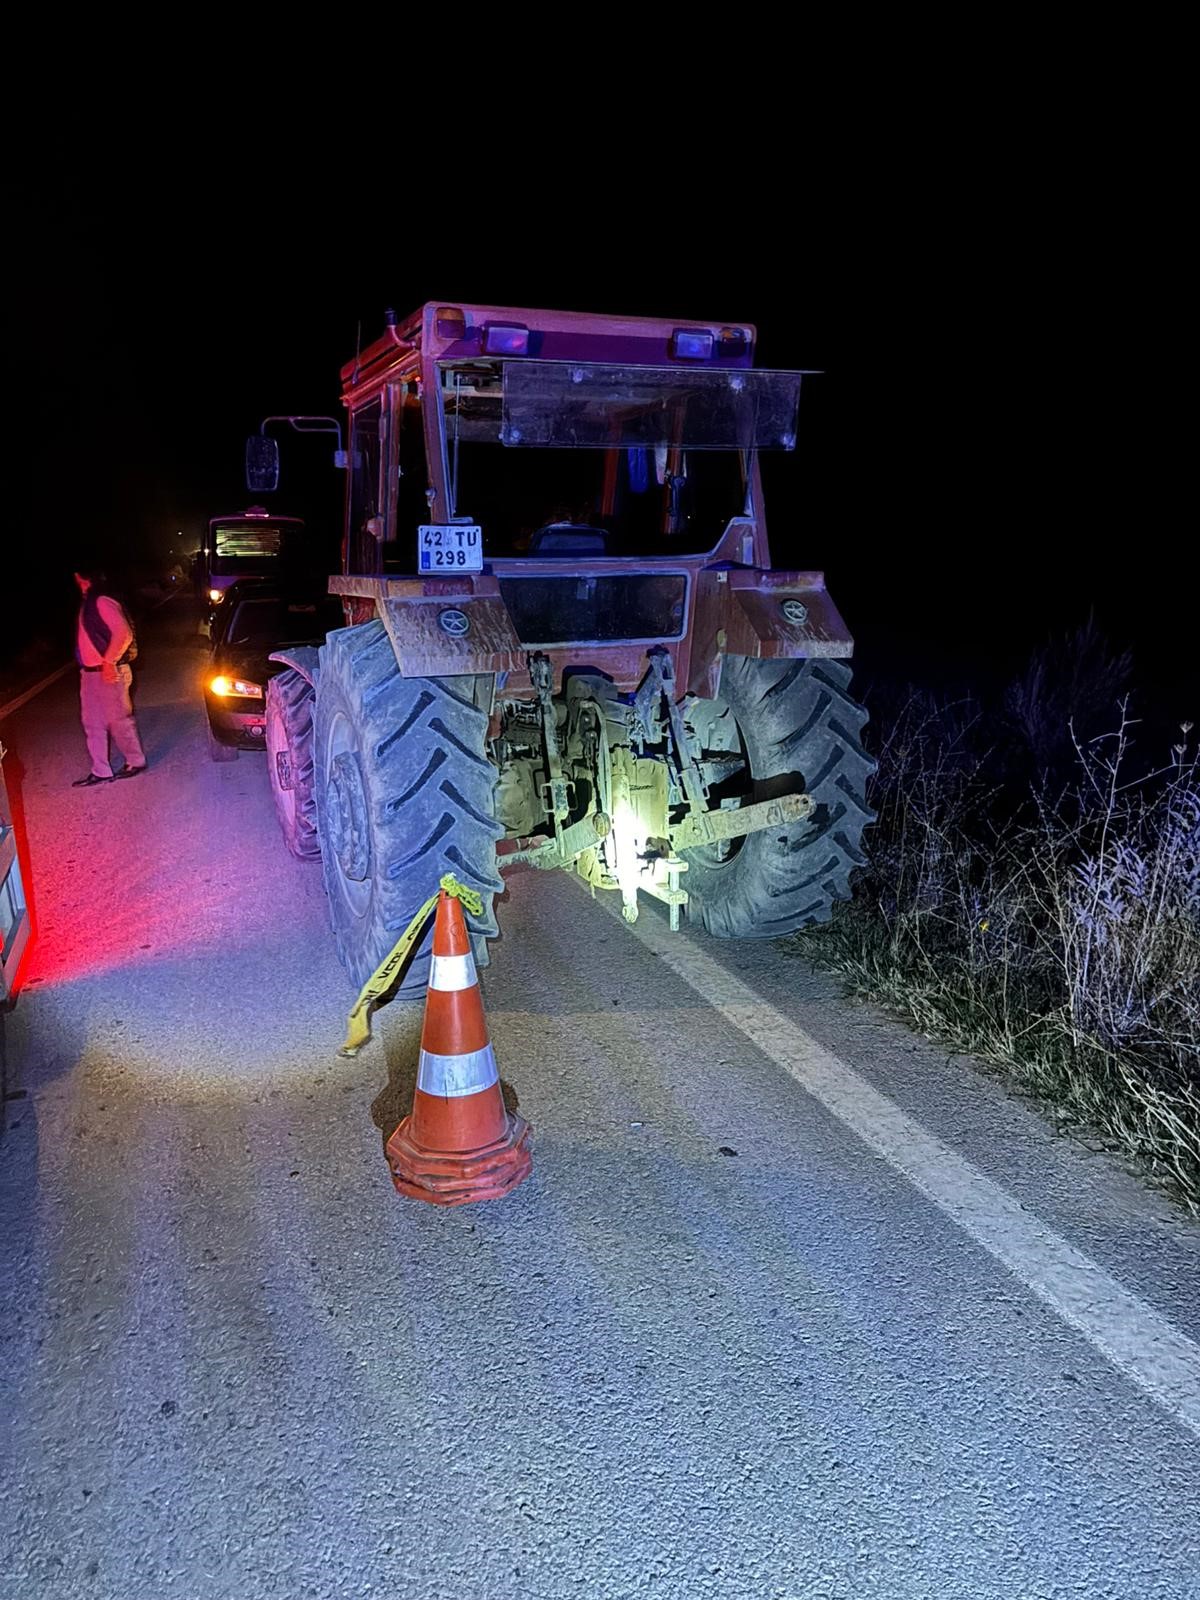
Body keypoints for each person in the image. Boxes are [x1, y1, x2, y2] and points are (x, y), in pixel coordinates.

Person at [71, 564, 147, 787]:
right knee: (92, 723)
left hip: (109, 672)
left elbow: (124, 633)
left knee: (119, 721)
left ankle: (136, 761)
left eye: (77, 576)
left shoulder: (102, 600)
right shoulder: (89, 602)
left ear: (84, 578)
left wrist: (109, 661)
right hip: (90, 674)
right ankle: (101, 770)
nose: (75, 581)